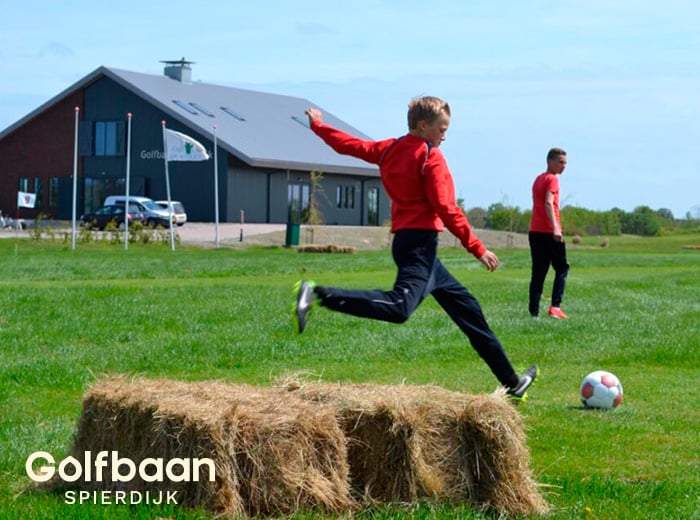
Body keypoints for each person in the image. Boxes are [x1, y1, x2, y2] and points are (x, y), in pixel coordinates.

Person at [293, 96, 538, 400]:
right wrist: (477, 248)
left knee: (469, 312)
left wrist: (318, 125)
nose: (444, 135)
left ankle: (512, 382)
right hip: (420, 246)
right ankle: (316, 295)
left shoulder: (390, 148)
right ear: (424, 126)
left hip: (413, 246)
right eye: (442, 129)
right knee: (399, 309)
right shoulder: (430, 157)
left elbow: (349, 145)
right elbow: (447, 208)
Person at [528, 147, 570, 319]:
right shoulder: (552, 179)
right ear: (549, 161)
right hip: (548, 232)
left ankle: (533, 312)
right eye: (560, 162)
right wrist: (556, 228)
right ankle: (555, 307)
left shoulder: (538, 179)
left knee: (538, 272)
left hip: (534, 231)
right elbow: (548, 203)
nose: (563, 166)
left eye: (565, 163)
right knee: (562, 268)